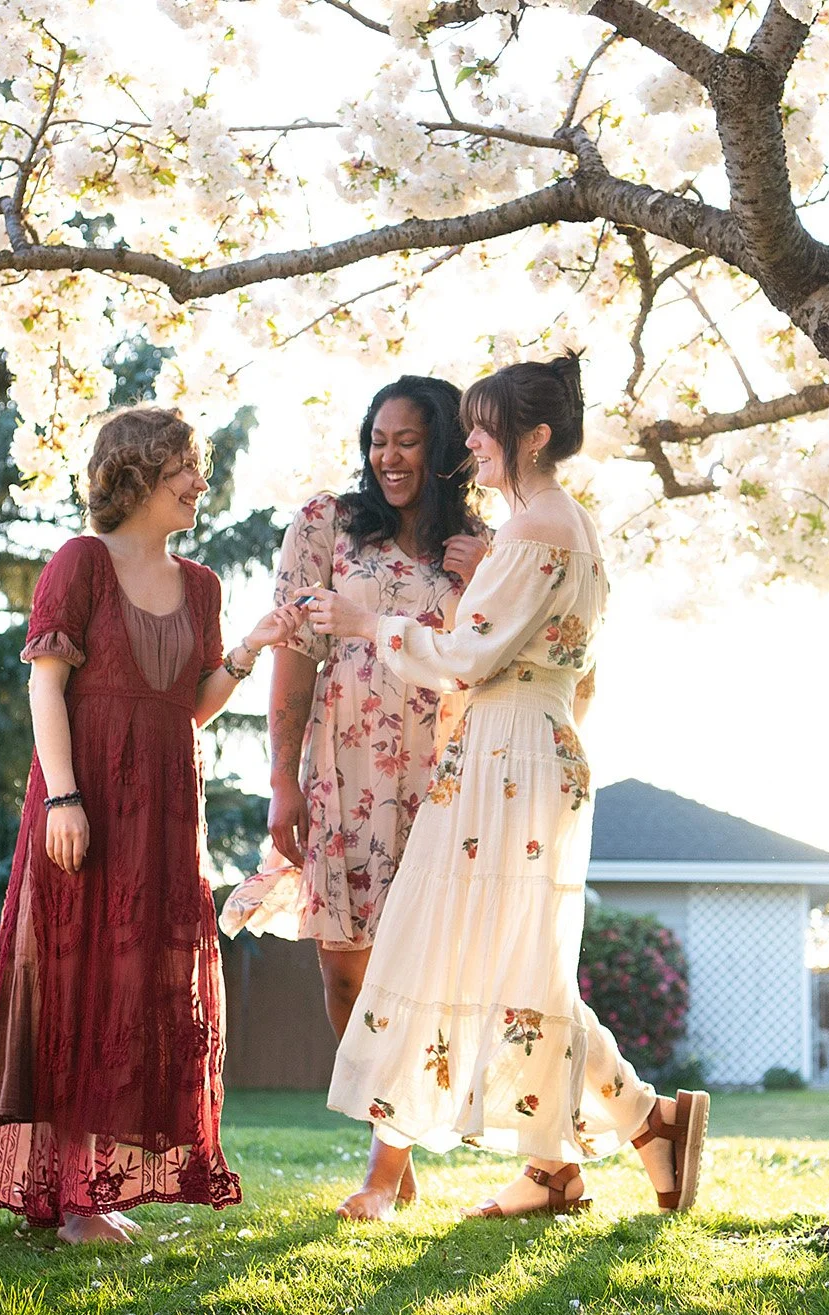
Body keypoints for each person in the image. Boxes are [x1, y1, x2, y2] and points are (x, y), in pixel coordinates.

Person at [301, 355, 708, 1221]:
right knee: (517, 958)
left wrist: (370, 622)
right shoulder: (565, 525)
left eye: (484, 428)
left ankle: (604, 1138)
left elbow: (469, 654)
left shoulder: (535, 528)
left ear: (533, 437)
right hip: (527, 742)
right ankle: (578, 1151)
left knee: (498, 956)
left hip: (509, 749)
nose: (471, 443)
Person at [0, 406, 300, 1243]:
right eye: (185, 467)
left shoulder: (201, 584)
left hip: (164, 811)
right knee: (73, 977)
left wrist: (248, 648)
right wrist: (64, 798)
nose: (200, 483)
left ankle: (83, 1190)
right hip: (84, 799)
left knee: (134, 983)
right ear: (136, 471)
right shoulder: (80, 563)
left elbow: (190, 707)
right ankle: (68, 1198)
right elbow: (44, 687)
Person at [219, 374, 487, 1207]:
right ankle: (391, 1128)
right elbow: (294, 654)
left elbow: (500, 657)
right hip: (343, 768)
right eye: (379, 439)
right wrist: (282, 781)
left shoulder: (481, 545)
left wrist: (486, 576)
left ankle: (386, 1166)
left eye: (407, 440)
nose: (388, 455)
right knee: (345, 972)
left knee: (419, 965)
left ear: (445, 447)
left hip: (441, 777)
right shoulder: (325, 523)